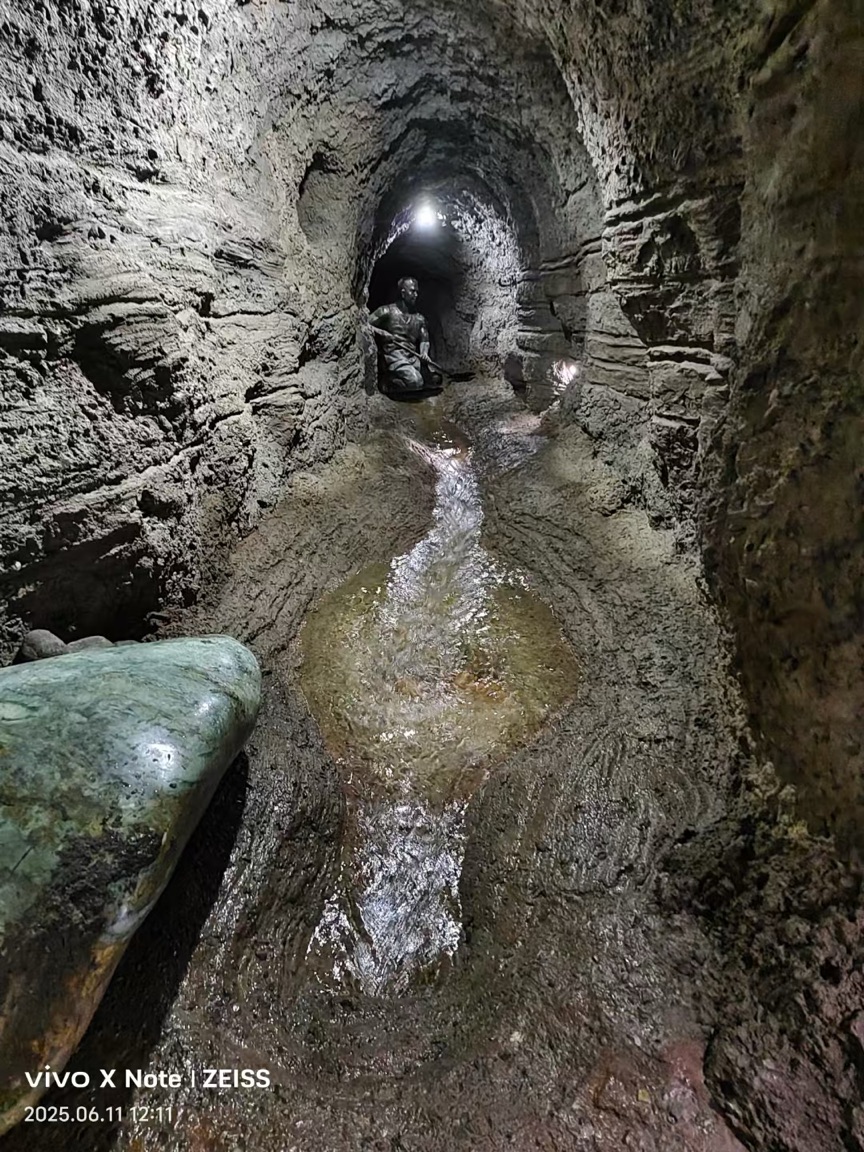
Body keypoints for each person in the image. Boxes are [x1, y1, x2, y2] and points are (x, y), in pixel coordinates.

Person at [368, 277, 442, 392]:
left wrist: (424, 353)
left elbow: (424, 339)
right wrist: (382, 333)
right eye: (412, 291)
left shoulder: (419, 318)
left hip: (412, 357)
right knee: (416, 382)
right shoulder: (386, 311)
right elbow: (364, 323)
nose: (416, 295)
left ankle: (408, 378)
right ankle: (388, 381)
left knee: (435, 379)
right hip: (394, 356)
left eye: (417, 291)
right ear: (403, 293)